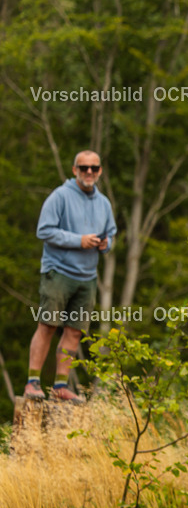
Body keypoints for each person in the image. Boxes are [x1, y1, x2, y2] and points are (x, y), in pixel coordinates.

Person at [24, 150, 116, 403]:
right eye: (84, 167)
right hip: (59, 273)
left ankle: (61, 386)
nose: (89, 172)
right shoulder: (60, 196)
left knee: (75, 332)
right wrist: (79, 241)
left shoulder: (104, 203)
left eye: (94, 168)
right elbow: (44, 231)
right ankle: (32, 382)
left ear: (99, 172)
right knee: (48, 326)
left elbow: (111, 236)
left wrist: (105, 244)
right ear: (74, 169)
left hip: (87, 278)